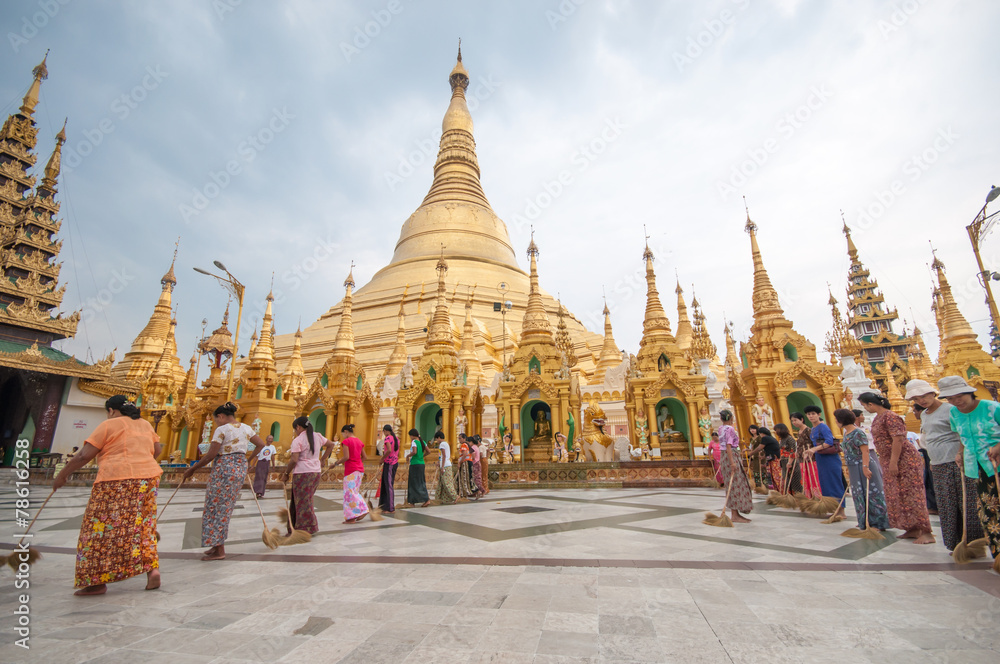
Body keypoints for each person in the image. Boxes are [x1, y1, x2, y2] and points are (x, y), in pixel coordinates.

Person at [53, 396, 162, 596]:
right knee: (143, 525)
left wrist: (62, 474)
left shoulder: (109, 425)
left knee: (98, 529)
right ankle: (152, 570)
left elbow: (84, 455)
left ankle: (96, 582)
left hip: (115, 480)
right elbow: (157, 450)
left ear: (111, 410)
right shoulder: (145, 424)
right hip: (148, 479)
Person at [906, 379, 983, 551]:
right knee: (946, 504)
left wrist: (960, 453)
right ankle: (955, 544)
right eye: (916, 398)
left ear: (933, 393)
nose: (921, 400)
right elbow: (930, 438)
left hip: (956, 461)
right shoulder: (924, 414)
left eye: (924, 396)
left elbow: (962, 433)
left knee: (965, 503)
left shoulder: (950, 409)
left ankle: (973, 544)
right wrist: (932, 461)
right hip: (938, 463)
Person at [183, 402, 265, 561]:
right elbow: (261, 444)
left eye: (216, 420)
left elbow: (210, 455)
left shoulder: (222, 429)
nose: (216, 423)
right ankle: (216, 544)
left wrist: (193, 469)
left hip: (224, 469)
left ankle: (219, 549)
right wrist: (247, 460)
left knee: (215, 507)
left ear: (220, 416)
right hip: (239, 467)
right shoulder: (246, 428)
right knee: (225, 506)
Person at [859, 392, 935, 544]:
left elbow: (898, 439)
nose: (865, 409)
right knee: (898, 494)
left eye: (864, 406)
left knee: (913, 494)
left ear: (870, 404)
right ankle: (912, 527)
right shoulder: (878, 418)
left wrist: (894, 462)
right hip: (888, 460)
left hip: (904, 460)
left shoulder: (890, 416)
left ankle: (926, 532)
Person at [939, 376, 1000, 563]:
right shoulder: (954, 413)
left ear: (970, 393)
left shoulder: (992, 408)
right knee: (988, 511)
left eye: (960, 396)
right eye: (951, 398)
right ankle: (998, 554)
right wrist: (960, 453)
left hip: (997, 464)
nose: (956, 401)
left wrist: (998, 446)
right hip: (978, 468)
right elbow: (962, 436)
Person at [834, 408, 890, 531]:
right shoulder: (846, 433)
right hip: (853, 466)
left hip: (863, 464)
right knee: (859, 494)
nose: (836, 422)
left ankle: (877, 523)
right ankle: (864, 520)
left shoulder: (858, 433)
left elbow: (865, 451)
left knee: (871, 493)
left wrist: (865, 467)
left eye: (837, 419)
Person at [280, 417, 335, 532]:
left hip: (302, 473)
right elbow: (331, 445)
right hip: (315, 473)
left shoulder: (298, 440)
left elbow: (294, 460)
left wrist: (286, 473)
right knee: (305, 500)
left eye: (295, 429)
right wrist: (322, 459)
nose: (296, 432)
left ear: (298, 427)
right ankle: (296, 526)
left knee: (302, 502)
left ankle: (306, 528)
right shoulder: (318, 436)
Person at [802, 405, 846, 517]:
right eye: (809, 414)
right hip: (820, 458)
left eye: (813, 414)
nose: (811, 416)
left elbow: (829, 442)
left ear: (819, 415)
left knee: (834, 483)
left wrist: (814, 449)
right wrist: (809, 452)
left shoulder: (823, 427)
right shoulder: (813, 429)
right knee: (826, 484)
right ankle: (833, 509)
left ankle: (841, 511)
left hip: (830, 459)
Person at [717, 410, 753, 523]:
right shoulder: (730, 429)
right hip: (731, 455)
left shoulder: (720, 428)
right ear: (731, 417)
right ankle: (735, 514)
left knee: (731, 484)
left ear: (721, 419)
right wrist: (732, 463)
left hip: (724, 456)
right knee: (736, 484)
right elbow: (728, 446)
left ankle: (736, 512)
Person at [328, 423, 369, 523]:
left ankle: (359, 512)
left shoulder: (346, 441)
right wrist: (358, 463)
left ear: (346, 432)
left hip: (351, 470)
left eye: (343, 434)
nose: (343, 436)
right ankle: (356, 514)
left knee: (349, 493)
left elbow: (346, 457)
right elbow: (365, 457)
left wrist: (335, 464)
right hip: (359, 470)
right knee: (354, 492)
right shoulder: (359, 441)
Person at [790, 412, 821, 499]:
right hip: (802, 459)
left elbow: (814, 444)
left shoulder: (808, 430)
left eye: (795, 420)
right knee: (805, 479)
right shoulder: (799, 432)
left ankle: (817, 497)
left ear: (802, 419)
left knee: (813, 478)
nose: (794, 422)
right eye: (792, 421)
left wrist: (809, 452)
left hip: (811, 459)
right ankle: (808, 497)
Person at [749, 426, 782, 492]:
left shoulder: (765, 438)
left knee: (775, 474)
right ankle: (777, 490)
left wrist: (751, 453)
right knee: (772, 474)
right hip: (772, 457)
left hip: (774, 458)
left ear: (761, 433)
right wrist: (763, 456)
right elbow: (769, 449)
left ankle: (779, 488)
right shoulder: (770, 438)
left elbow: (760, 447)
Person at [404, 428, 430, 507]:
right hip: (422, 463)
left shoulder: (414, 442)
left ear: (412, 435)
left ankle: (412, 502)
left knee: (413, 483)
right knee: (421, 482)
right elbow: (428, 451)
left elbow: (414, 452)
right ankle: (426, 499)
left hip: (415, 464)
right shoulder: (423, 442)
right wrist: (422, 456)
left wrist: (408, 456)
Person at [773, 423, 801, 494]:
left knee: (794, 479)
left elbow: (793, 451)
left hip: (791, 461)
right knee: (786, 479)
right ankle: (789, 495)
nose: (776, 432)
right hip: (784, 462)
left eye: (776, 430)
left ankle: (797, 495)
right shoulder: (782, 439)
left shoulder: (790, 438)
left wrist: (790, 462)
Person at [378, 424, 399, 513]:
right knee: (386, 484)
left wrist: (382, 459)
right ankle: (384, 506)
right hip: (394, 462)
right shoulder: (396, 439)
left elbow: (389, 450)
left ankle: (390, 507)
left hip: (389, 463)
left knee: (388, 485)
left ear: (386, 431)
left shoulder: (388, 438)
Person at [435, 431, 457, 504]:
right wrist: (439, 462)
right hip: (446, 464)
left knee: (447, 483)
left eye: (436, 439)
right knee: (442, 483)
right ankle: (443, 498)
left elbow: (444, 455)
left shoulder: (442, 444)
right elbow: (441, 456)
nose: (436, 441)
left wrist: (442, 467)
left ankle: (455, 496)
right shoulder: (446, 444)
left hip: (445, 465)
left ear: (439, 437)